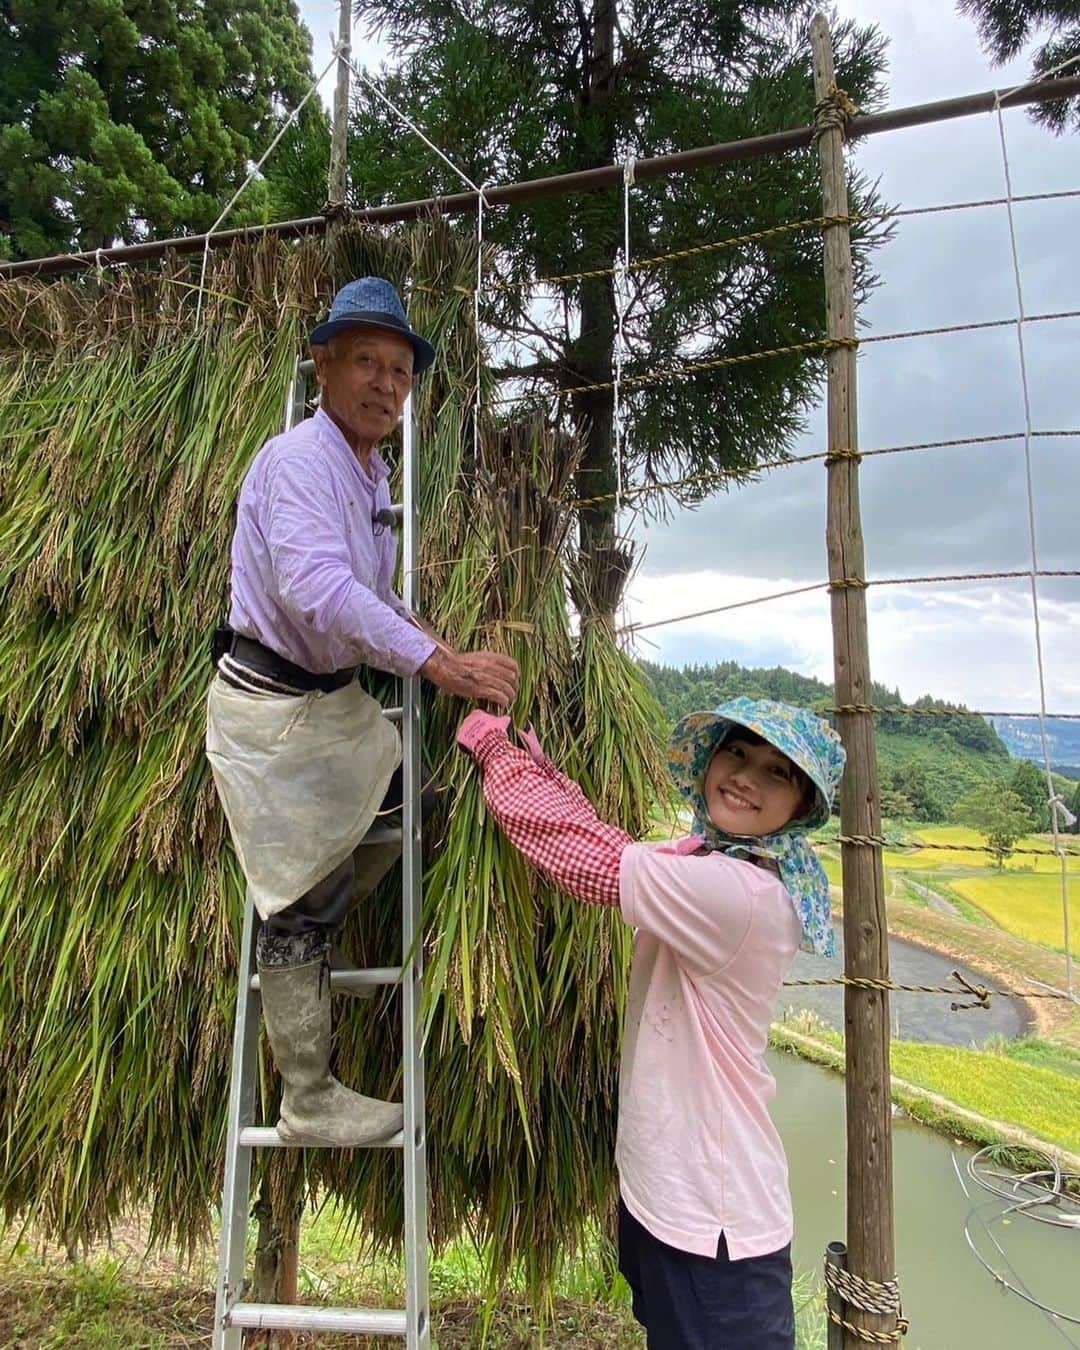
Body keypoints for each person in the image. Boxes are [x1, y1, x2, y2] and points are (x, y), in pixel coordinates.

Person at [206, 276, 519, 1149]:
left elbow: (374, 596)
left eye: (401, 370)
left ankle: (314, 928)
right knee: (299, 905)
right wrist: (441, 665)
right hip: (271, 711)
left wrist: (450, 651)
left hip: (330, 705)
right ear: (325, 366)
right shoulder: (302, 462)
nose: (387, 384)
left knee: (403, 805)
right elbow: (320, 595)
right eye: (367, 364)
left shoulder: (368, 470)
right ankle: (307, 1094)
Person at [456, 696, 845, 1350]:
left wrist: (496, 753)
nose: (747, 776)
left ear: (800, 808)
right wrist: (545, 773)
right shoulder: (709, 860)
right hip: (669, 1199)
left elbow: (583, 857)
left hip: (715, 1231)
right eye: (738, 753)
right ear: (710, 759)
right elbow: (614, 842)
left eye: (778, 773)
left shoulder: (737, 894)